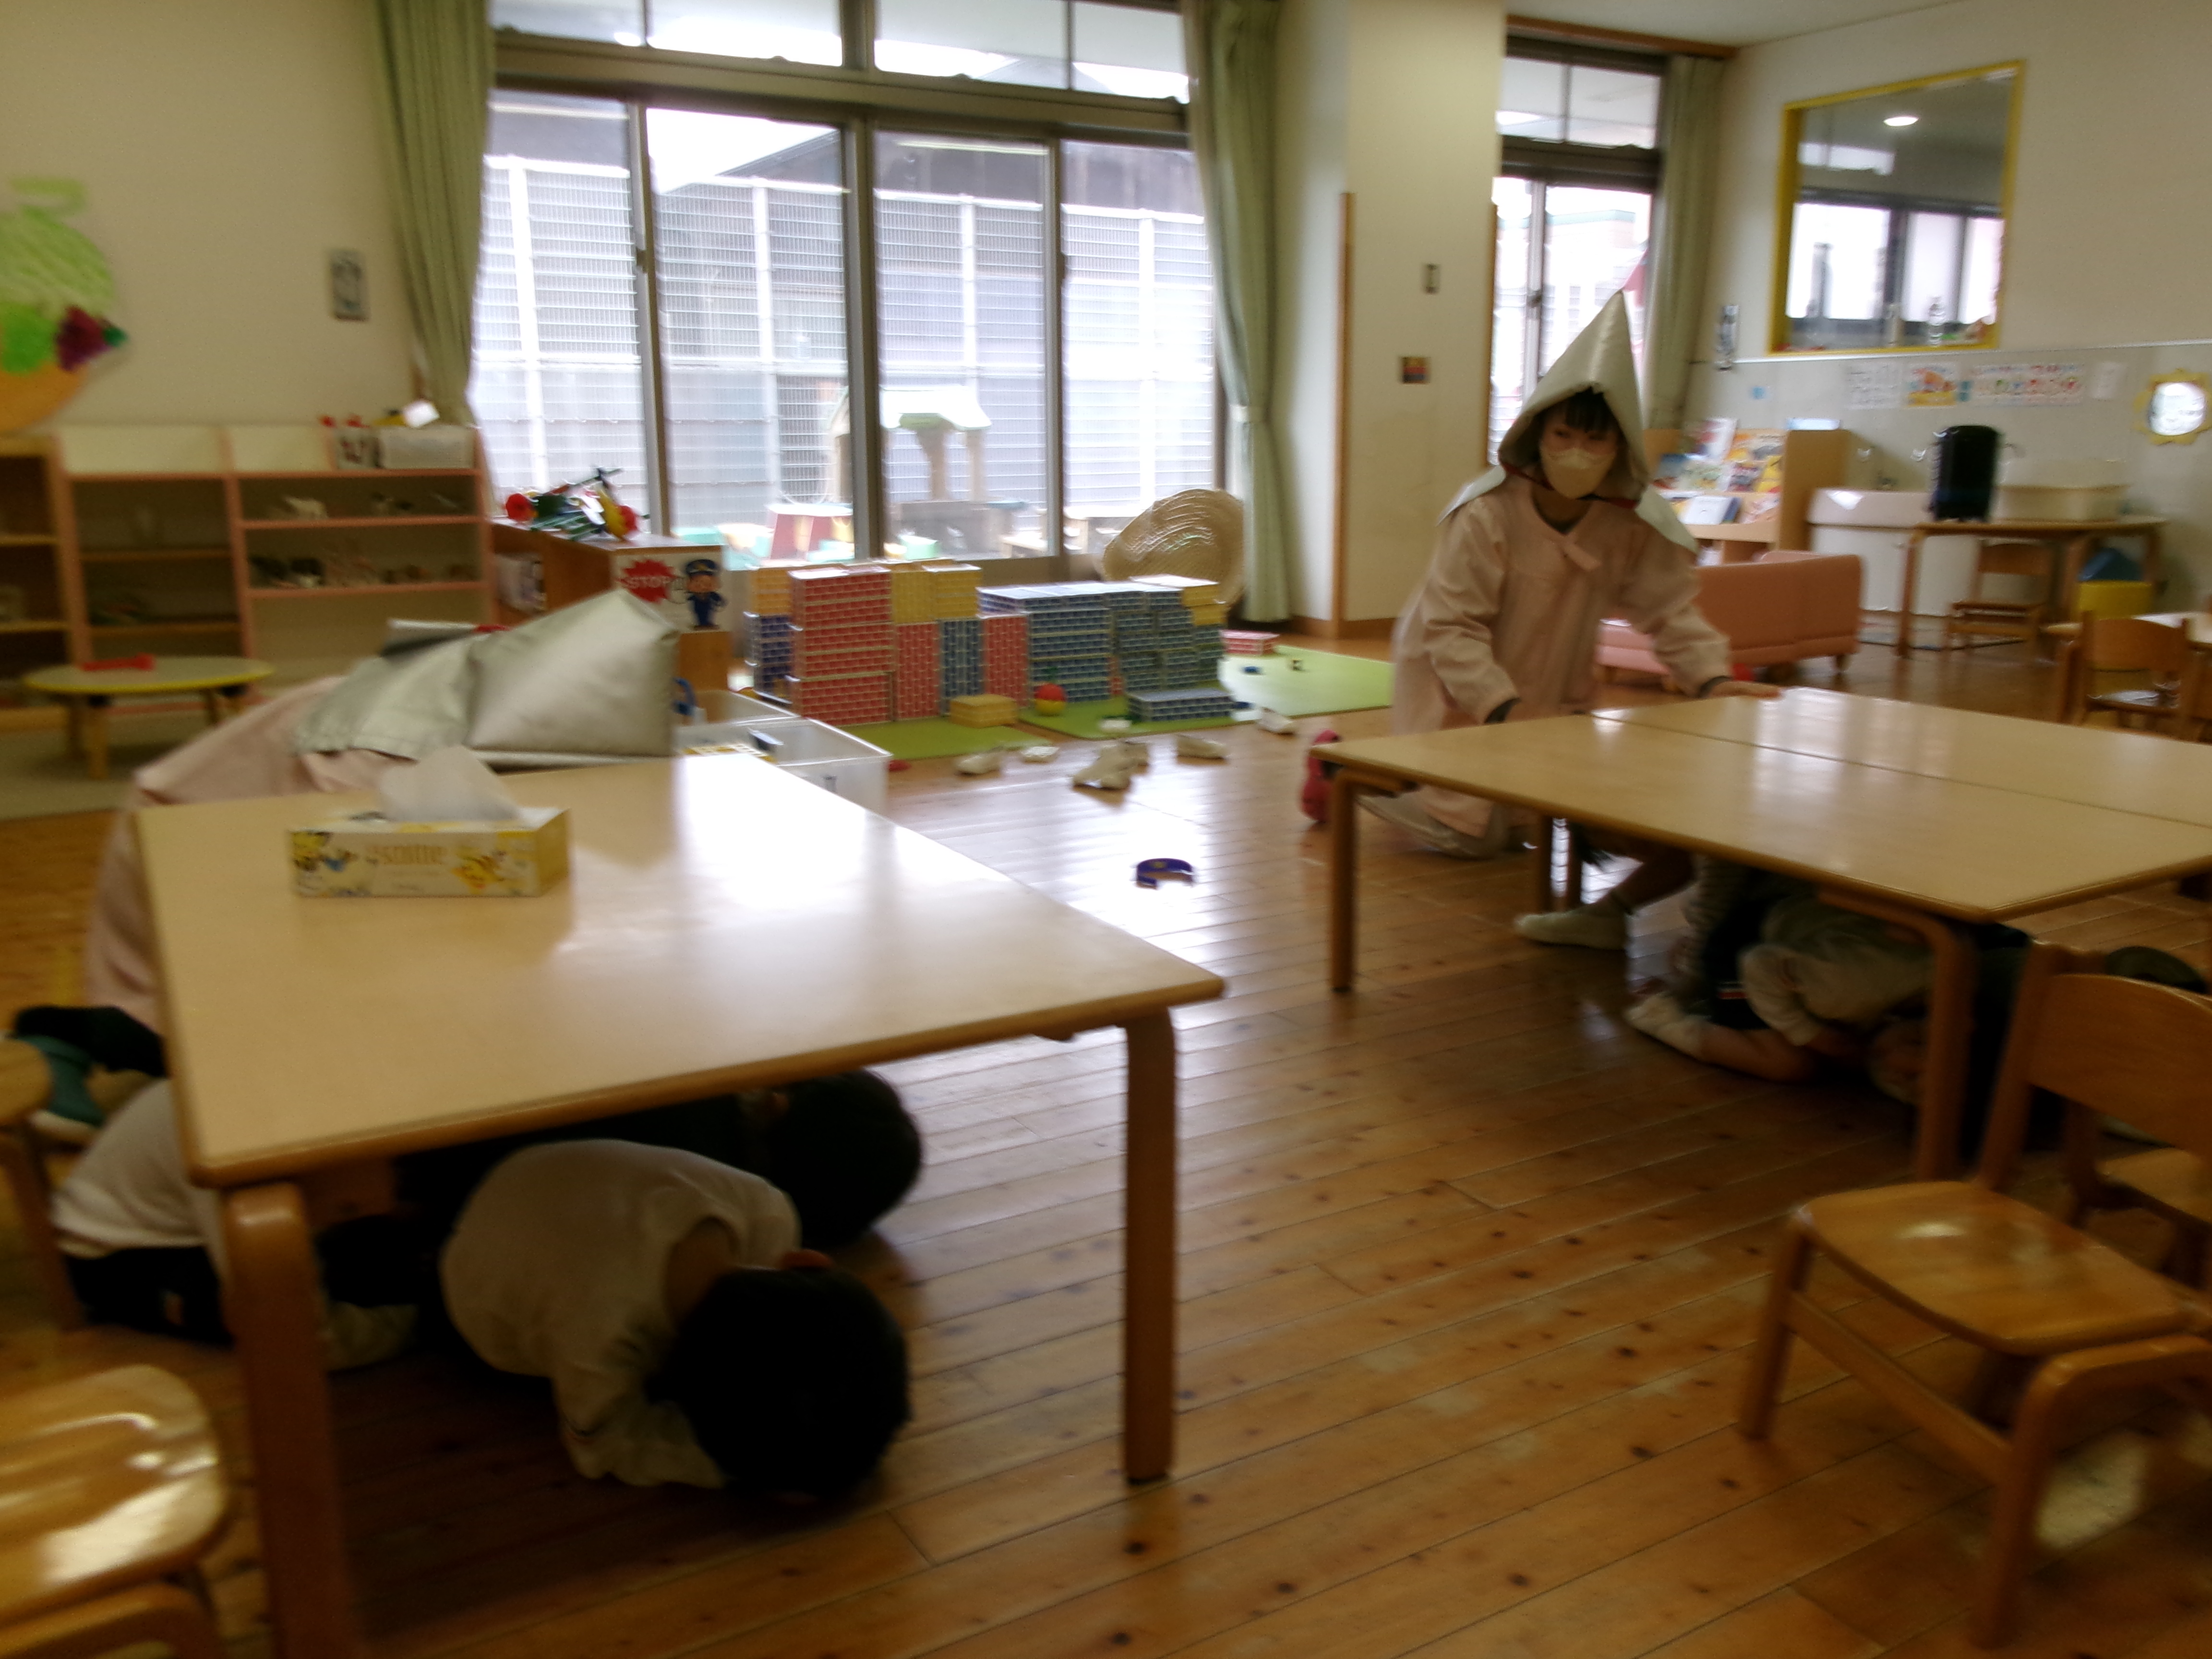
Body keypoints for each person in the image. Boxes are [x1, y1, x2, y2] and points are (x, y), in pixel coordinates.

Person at [1373, 290, 1778, 944]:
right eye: (1564, 435)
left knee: (1535, 812)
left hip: (1554, 668)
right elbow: (1454, 626)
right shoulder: (1488, 513)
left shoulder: (1629, 524)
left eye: (1595, 438)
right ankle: (1355, 775)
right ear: (1538, 433)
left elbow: (1670, 610)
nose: (1578, 452)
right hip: (1456, 664)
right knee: (1471, 829)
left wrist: (1711, 679)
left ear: (1618, 446)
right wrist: (1500, 705)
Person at [439, 1138, 908, 1497]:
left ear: (807, 1262)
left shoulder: (768, 1211)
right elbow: (603, 1444)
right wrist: (742, 1468)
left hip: (542, 1162)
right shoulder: (601, 1330)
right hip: (471, 1267)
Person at [48, 1082, 419, 1368]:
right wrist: (417, 1325)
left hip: (174, 1219)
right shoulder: (236, 1151)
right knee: (267, 1313)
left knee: (359, 1259)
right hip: (114, 1256)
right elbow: (308, 1342)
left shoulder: (252, 1100)